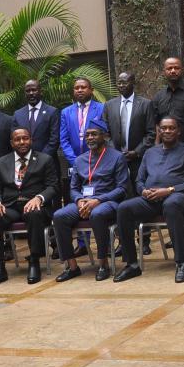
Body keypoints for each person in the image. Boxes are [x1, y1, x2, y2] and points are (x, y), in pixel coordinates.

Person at [114, 117, 184, 284]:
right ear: (159, 131)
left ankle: (181, 263)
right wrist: (143, 191)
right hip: (150, 200)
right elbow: (139, 180)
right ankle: (132, 264)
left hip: (178, 198)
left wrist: (168, 190)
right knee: (124, 208)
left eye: (171, 128)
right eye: (164, 128)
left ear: (178, 131)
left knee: (171, 204)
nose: (167, 131)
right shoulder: (150, 153)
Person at [53, 119, 129, 282]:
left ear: (105, 136)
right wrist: (79, 199)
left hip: (107, 202)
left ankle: (103, 264)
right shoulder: (80, 160)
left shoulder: (117, 157)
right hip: (83, 202)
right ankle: (72, 267)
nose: (89, 138)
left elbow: (122, 189)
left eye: (94, 134)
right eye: (87, 135)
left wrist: (98, 200)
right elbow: (73, 188)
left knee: (98, 214)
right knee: (59, 216)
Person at [0, 127, 58, 287]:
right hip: (9, 206)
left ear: (31, 140)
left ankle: (34, 261)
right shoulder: (2, 162)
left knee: (34, 214)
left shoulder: (45, 159)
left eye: (25, 138)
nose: (22, 142)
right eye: (17, 139)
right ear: (12, 143)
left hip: (34, 206)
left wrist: (39, 198)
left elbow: (52, 186)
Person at [103, 71, 156, 193]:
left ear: (133, 83)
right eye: (119, 83)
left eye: (124, 82)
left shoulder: (145, 104)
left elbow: (151, 133)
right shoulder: (109, 105)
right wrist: (115, 152)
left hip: (138, 159)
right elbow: (105, 133)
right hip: (115, 158)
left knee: (139, 192)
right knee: (117, 192)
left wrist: (137, 152)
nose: (121, 85)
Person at [60, 77, 105, 171]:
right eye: (76, 88)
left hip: (97, 161)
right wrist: (75, 161)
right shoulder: (66, 112)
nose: (79, 90)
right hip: (74, 161)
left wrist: (93, 159)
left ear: (91, 90)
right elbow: (64, 140)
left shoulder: (102, 108)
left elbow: (105, 135)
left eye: (83, 87)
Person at [13, 79, 60, 160]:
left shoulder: (52, 112)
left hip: (47, 161)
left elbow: (54, 140)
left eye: (34, 90)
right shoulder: (17, 114)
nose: (31, 93)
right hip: (24, 161)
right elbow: (15, 139)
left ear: (41, 92)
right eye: (28, 91)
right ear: (25, 94)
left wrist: (40, 159)